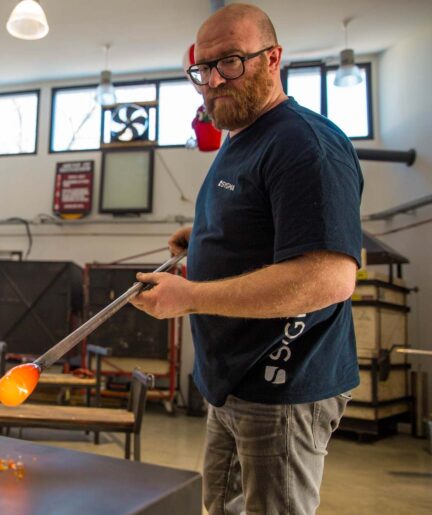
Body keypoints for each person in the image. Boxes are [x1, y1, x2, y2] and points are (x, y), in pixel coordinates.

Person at [130, 4, 363, 514]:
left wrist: (190, 296)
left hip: (282, 384)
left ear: (273, 58)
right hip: (232, 383)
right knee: (223, 508)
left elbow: (328, 277)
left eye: (230, 62)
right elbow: (267, 224)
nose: (213, 80)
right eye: (202, 69)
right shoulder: (242, 140)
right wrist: (209, 236)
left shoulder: (304, 144)